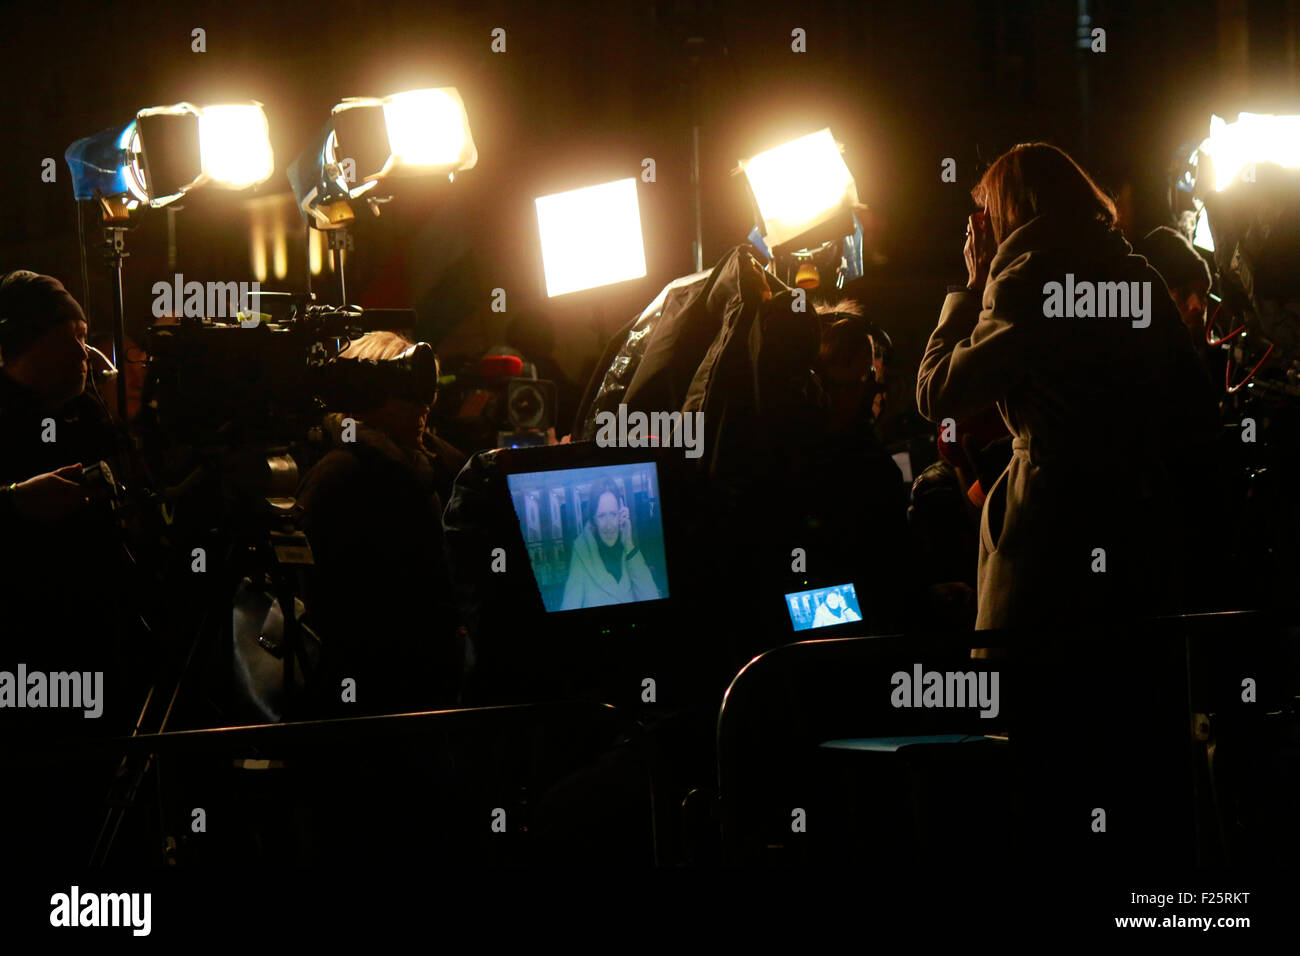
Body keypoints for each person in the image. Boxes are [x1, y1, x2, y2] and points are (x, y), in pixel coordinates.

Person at [916, 143, 1221, 631]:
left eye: (989, 211)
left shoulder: (1025, 280)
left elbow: (937, 394)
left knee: (1037, 688)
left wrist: (970, 288)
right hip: (1137, 526)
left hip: (1048, 533)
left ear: (1010, 211)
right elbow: (1196, 408)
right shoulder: (1137, 277)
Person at [296, 331, 463, 716]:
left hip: (427, 686)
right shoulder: (339, 478)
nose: (423, 408)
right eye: (408, 395)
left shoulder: (430, 467)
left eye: (428, 393)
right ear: (366, 397)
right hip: (371, 700)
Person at [559, 478, 660, 610]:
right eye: (601, 516)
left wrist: (628, 543)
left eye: (613, 514)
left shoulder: (628, 547)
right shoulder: (582, 551)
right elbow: (570, 604)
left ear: (621, 513)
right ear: (594, 519)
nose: (609, 525)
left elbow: (650, 595)